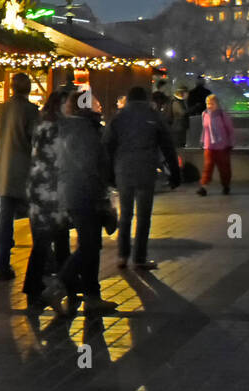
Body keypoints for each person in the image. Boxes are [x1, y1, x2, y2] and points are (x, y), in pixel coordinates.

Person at [51, 92, 117, 315]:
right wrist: (102, 195)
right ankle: (59, 286)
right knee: (89, 245)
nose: (99, 107)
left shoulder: (67, 128)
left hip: (71, 192)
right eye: (96, 104)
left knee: (90, 245)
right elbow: (90, 166)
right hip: (85, 194)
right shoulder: (86, 131)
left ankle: (90, 294)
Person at [106, 87, 181, 270]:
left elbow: (107, 145)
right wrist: (175, 174)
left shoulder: (119, 117)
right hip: (146, 170)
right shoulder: (153, 116)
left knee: (125, 215)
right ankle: (140, 258)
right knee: (144, 216)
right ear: (145, 99)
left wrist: (108, 174)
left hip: (123, 170)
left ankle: (122, 256)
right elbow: (167, 145)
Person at [22, 91, 72, 311]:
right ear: (60, 104)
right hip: (49, 192)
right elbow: (62, 159)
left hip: (44, 190)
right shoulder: (55, 128)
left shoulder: (45, 124)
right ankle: (37, 291)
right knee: (46, 243)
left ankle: (61, 287)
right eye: (71, 102)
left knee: (56, 242)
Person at [0, 72, 39, 281]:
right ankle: (43, 261)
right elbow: (36, 139)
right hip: (25, 172)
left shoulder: (1, 110)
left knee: (4, 221)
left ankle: (0, 264)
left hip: (2, 171)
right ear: (28, 89)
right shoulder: (31, 111)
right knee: (36, 219)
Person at [198, 94, 235, 196]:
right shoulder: (205, 114)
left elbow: (230, 130)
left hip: (222, 146)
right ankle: (203, 187)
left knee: (224, 168)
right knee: (207, 167)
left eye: (212, 104)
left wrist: (231, 143)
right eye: (208, 103)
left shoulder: (222, 115)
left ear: (217, 104)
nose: (209, 106)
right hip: (209, 146)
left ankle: (225, 185)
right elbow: (205, 130)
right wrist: (202, 141)